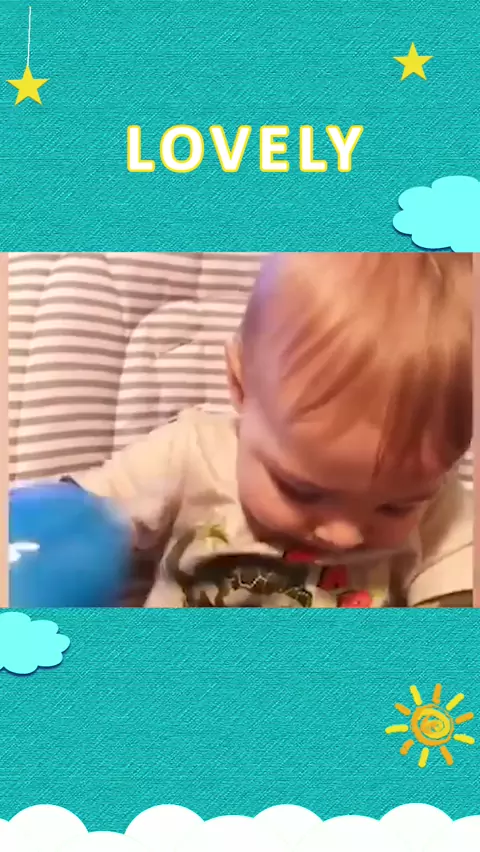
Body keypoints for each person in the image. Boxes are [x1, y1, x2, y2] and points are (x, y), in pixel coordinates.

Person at [68, 253, 473, 608]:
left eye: (394, 508)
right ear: (240, 385)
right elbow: (70, 520)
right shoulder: (190, 454)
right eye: (302, 491)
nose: (344, 536)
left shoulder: (439, 507)